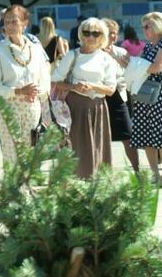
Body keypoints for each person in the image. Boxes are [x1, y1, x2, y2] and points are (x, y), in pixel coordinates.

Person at [51, 17, 121, 178]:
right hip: (73, 107)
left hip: (97, 107)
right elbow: (56, 81)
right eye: (86, 32)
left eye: (95, 33)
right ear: (81, 34)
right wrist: (74, 87)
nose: (90, 37)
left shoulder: (106, 59)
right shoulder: (72, 55)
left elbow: (111, 89)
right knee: (73, 146)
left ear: (102, 36)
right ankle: (71, 182)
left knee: (96, 146)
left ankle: (94, 182)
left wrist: (92, 86)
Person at [0, 6, 51, 168]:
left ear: (25, 24)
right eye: (6, 22)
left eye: (14, 21)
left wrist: (38, 91)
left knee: (31, 154)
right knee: (11, 156)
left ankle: (27, 191)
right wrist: (18, 91)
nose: (9, 25)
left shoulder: (36, 49)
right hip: (9, 109)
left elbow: (45, 80)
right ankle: (15, 192)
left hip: (32, 107)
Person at [128, 12, 162, 188]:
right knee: (146, 135)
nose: (144, 30)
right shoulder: (148, 46)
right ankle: (154, 174)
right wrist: (129, 62)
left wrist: (134, 63)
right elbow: (141, 66)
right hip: (144, 94)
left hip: (160, 95)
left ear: (157, 26)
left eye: (147, 26)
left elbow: (157, 67)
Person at [100, 18, 140, 170]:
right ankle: (104, 171)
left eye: (115, 33)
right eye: (110, 33)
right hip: (99, 95)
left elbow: (128, 74)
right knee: (101, 136)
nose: (113, 37)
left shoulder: (121, 52)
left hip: (119, 96)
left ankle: (137, 169)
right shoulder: (94, 52)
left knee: (128, 135)